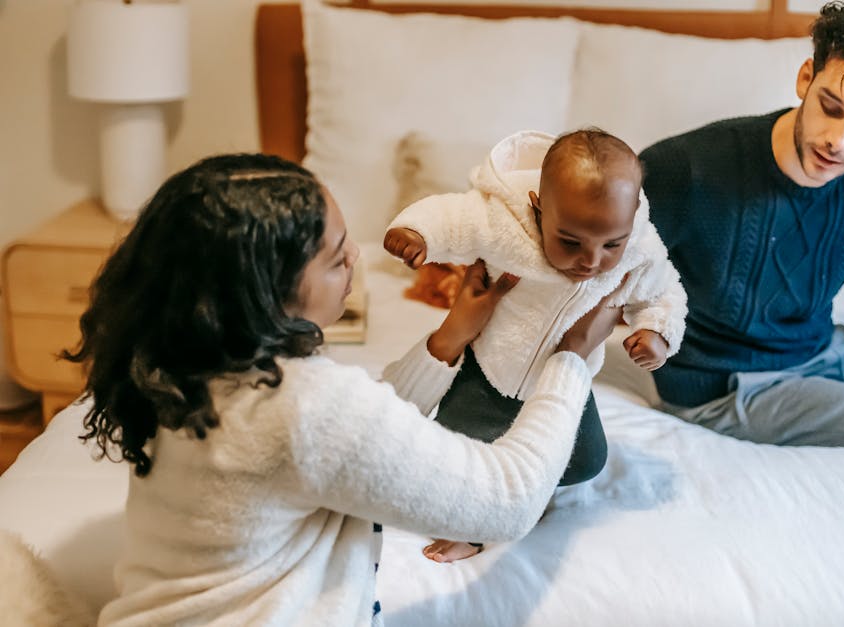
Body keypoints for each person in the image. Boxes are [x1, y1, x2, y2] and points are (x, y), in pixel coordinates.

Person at [63, 153, 625, 626]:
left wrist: (450, 338)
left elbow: (347, 445)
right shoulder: (303, 405)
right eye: (336, 258)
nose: (357, 255)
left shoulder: (175, 365)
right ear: (269, 294)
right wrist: (571, 360)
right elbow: (506, 501)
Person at [639, 1, 844, 449]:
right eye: (831, 107)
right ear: (805, 78)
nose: (839, 141)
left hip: (821, 349)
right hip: (727, 386)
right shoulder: (686, 168)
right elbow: (587, 271)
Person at [384, 128, 687, 562]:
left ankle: (531, 489)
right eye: (570, 241)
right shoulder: (506, 222)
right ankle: (472, 525)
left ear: (633, 217)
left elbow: (665, 292)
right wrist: (417, 233)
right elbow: (454, 217)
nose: (591, 260)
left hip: (564, 385)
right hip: (490, 369)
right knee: (456, 456)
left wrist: (656, 333)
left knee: (587, 459)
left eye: (611, 244)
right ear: (537, 207)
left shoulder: (641, 248)